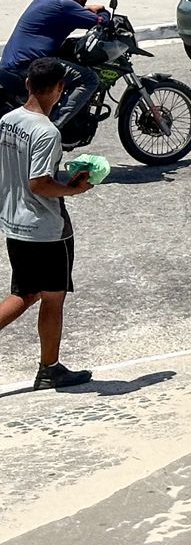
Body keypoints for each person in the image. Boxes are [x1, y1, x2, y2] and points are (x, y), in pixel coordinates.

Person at [0, 58, 95, 390]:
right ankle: (49, 369)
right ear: (59, 89)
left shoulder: (8, 120)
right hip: (45, 230)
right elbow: (38, 183)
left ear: (27, 84)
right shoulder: (46, 131)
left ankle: (49, 368)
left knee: (27, 292)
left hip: (13, 222)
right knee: (49, 297)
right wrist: (73, 188)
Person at [1, 0, 107, 131]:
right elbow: (101, 21)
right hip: (28, 65)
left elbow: (76, 12)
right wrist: (103, 11)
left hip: (13, 63)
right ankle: (54, 128)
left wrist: (88, 9)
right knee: (89, 79)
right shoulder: (65, 6)